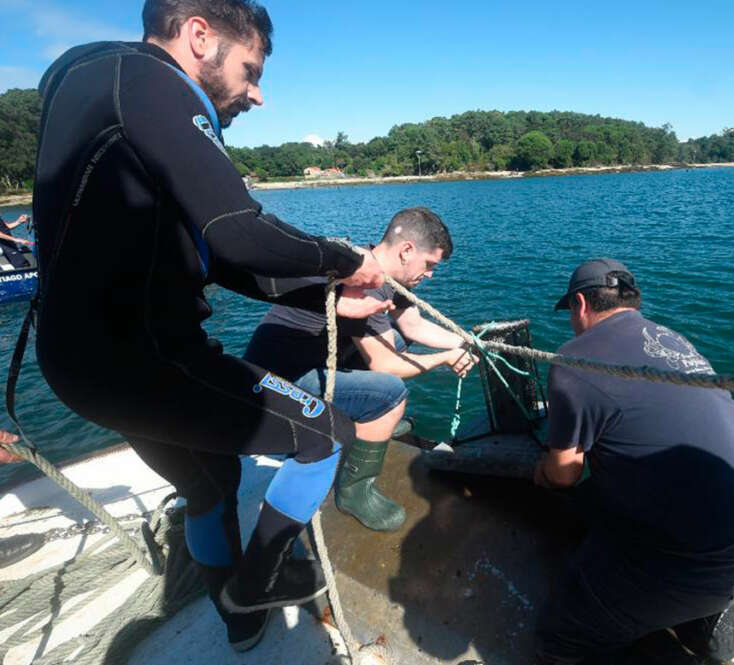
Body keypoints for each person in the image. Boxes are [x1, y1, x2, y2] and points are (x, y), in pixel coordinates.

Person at [30, 0, 387, 652]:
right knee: (325, 437)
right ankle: (255, 584)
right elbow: (241, 233)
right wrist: (347, 258)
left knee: (209, 481)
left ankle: (240, 622)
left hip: (87, 364)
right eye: (251, 70)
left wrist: (327, 296)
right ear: (198, 34)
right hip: (143, 357)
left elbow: (216, 256)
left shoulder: (101, 95)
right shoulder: (149, 83)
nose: (258, 94)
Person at [532, 258, 734, 665]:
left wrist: (540, 469)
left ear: (580, 304)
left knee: (562, 638)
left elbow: (565, 474)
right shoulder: (675, 340)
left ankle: (672, 620)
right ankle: (704, 614)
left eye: (571, 313)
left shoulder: (575, 360)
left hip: (698, 562)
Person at [244, 207, 478, 531]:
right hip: (275, 382)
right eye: (429, 265)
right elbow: (385, 365)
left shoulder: (375, 270)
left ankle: (362, 426)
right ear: (407, 250)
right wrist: (444, 358)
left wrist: (469, 342)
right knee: (391, 396)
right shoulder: (364, 283)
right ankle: (354, 492)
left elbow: (412, 326)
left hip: (302, 364)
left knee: (395, 340)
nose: (431, 275)